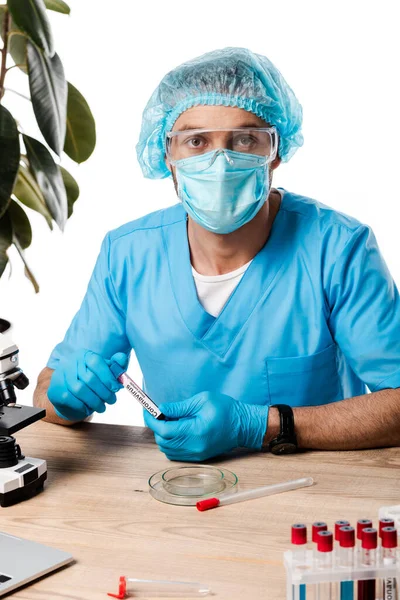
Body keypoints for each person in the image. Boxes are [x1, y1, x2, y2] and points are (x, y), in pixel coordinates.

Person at [34, 47, 400, 461]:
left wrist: (260, 425)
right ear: (166, 155)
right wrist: (64, 398)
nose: (220, 162)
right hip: (176, 490)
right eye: (196, 141)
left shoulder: (337, 249)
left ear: (275, 150)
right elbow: (47, 391)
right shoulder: (129, 254)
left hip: (309, 493)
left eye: (245, 139)